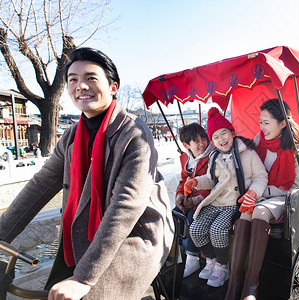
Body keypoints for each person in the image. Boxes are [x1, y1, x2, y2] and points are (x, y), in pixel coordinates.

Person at [0, 47, 174, 300]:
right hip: (88, 231)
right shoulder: (71, 136)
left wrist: (84, 278)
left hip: (135, 234)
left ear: (113, 87)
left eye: (91, 78)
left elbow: (126, 207)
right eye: (73, 80)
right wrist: (3, 232)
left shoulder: (134, 133)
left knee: (90, 294)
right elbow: (41, 185)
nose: (81, 86)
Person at [225, 99, 299, 300]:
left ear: (282, 123)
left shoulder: (298, 147)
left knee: (259, 211)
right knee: (245, 211)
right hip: (260, 195)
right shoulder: (260, 139)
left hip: (284, 198)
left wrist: (266, 194)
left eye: (267, 122)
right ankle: (235, 282)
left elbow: (297, 185)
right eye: (260, 122)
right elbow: (248, 163)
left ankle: (252, 285)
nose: (262, 127)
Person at [184, 107, 268, 288]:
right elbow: (210, 179)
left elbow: (261, 176)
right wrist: (195, 183)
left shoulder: (247, 153)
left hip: (235, 202)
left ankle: (222, 265)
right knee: (196, 228)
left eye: (224, 134)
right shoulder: (214, 157)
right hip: (217, 200)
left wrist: (253, 193)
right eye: (216, 137)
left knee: (218, 229)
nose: (221, 139)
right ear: (212, 141)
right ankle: (211, 260)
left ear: (232, 132)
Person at [174, 122, 215, 278]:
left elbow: (214, 183)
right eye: (196, 141)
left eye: (203, 139)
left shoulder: (212, 155)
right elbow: (184, 179)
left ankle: (193, 258)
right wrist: (180, 196)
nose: (202, 144)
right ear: (186, 145)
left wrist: (194, 201)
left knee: (193, 217)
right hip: (189, 199)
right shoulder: (185, 158)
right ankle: (177, 254)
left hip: (207, 199)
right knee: (175, 214)